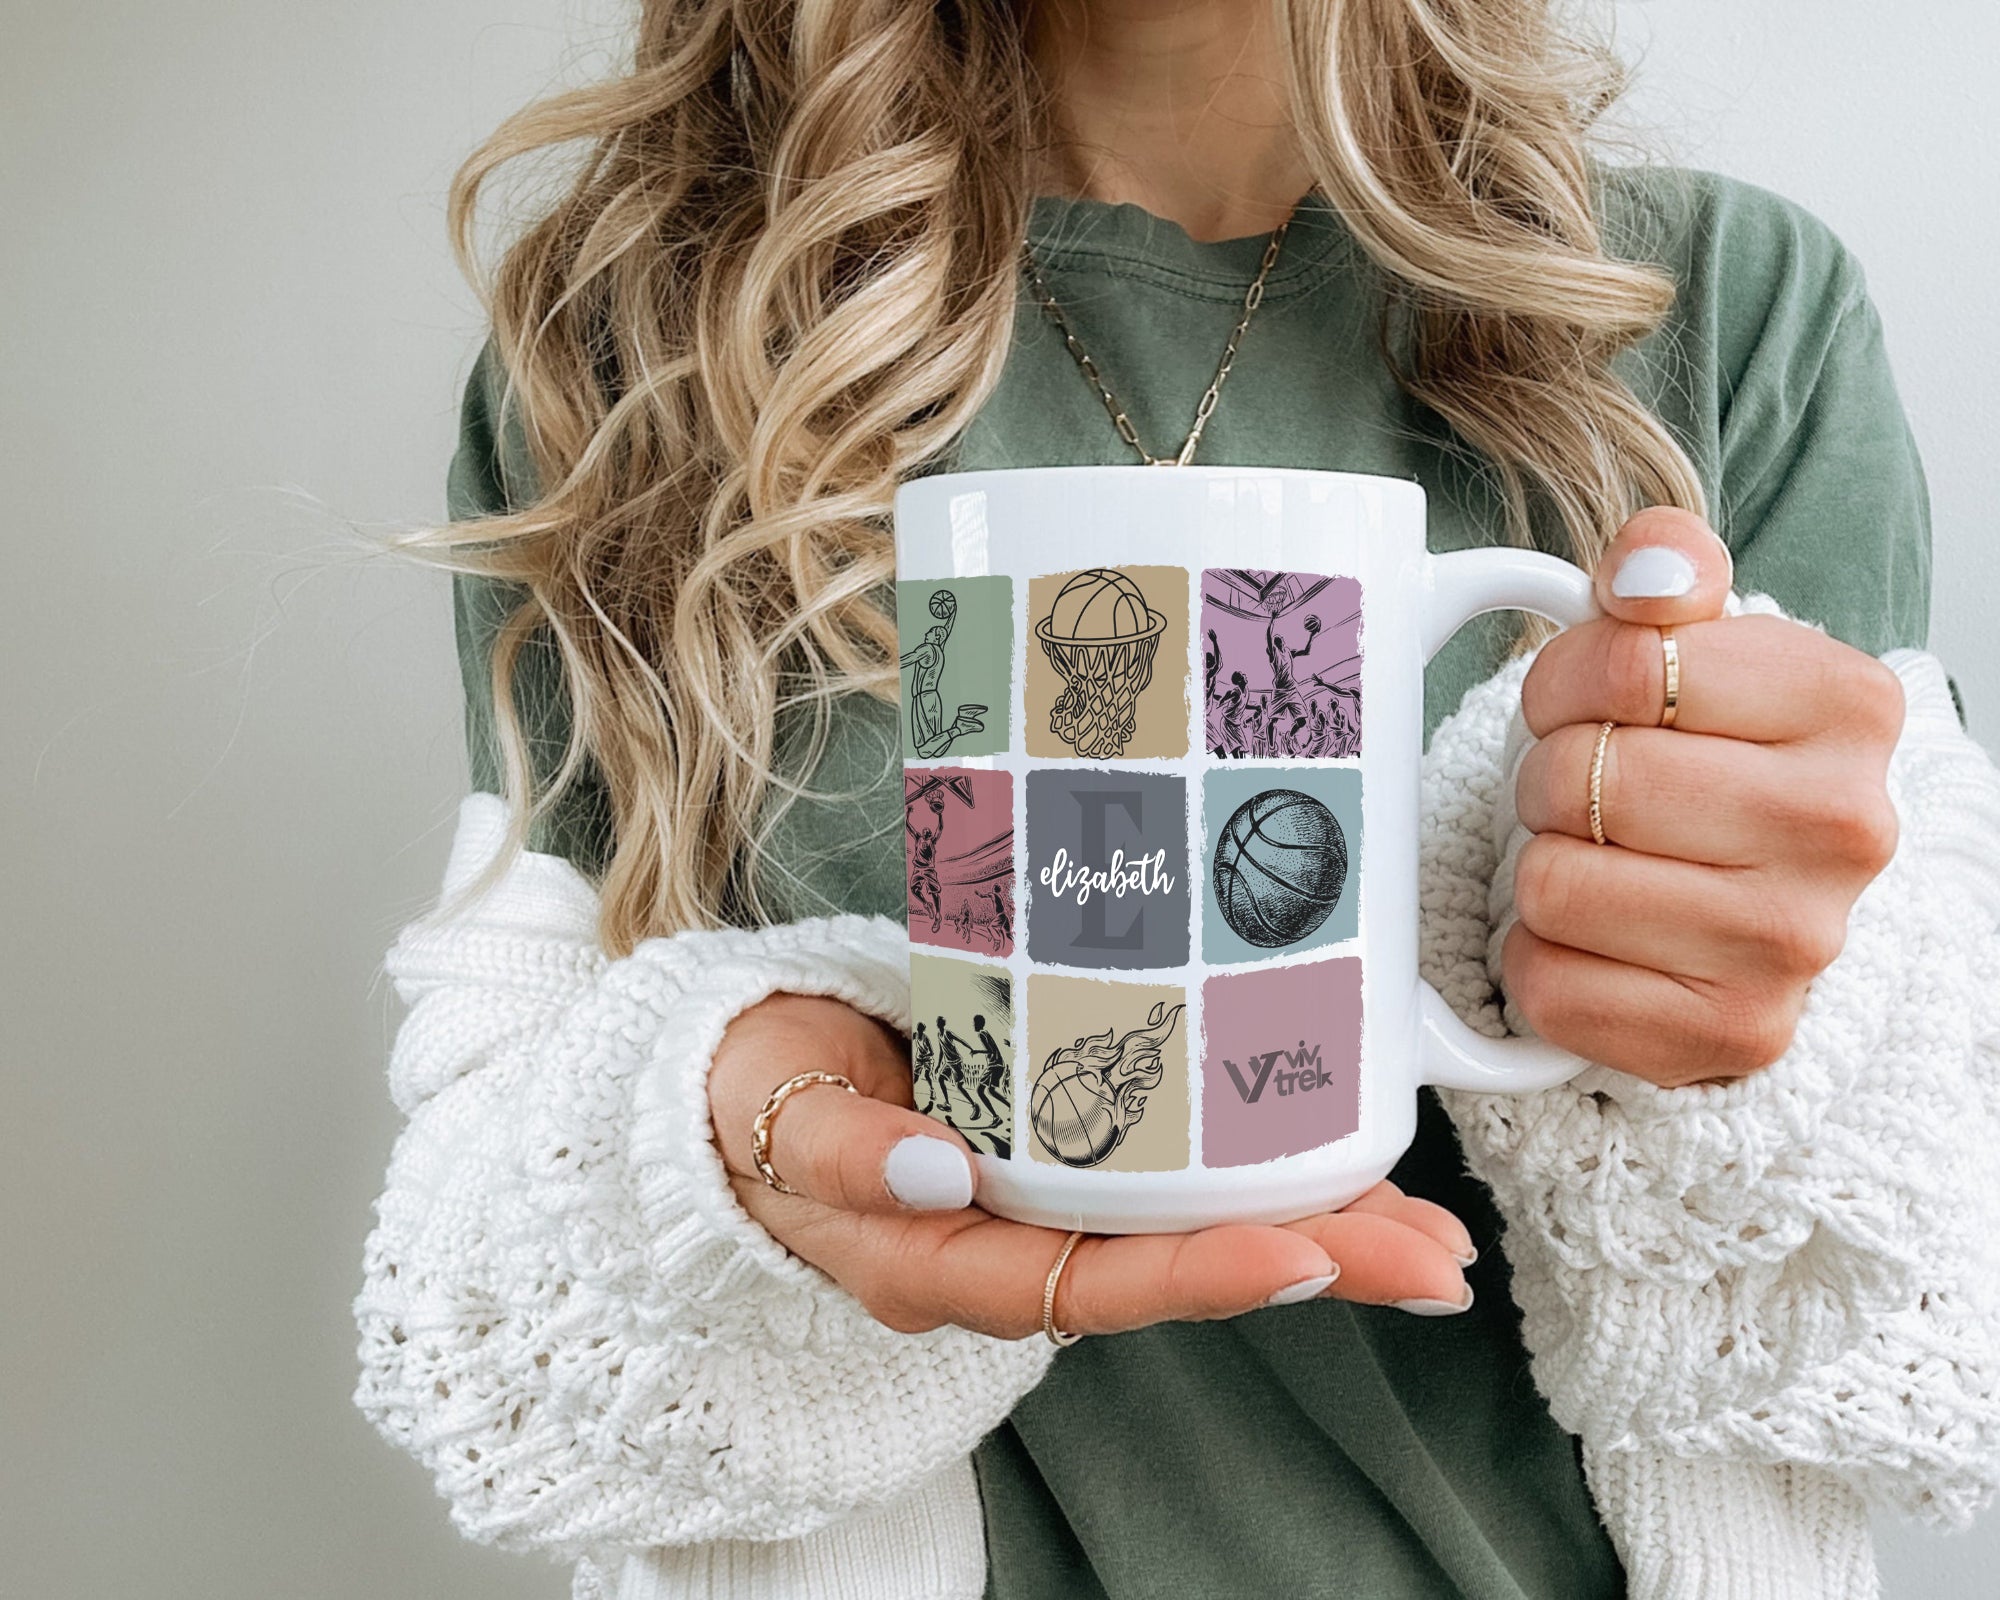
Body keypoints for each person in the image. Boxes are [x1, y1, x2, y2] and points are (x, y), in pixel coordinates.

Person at [350, 1, 2000, 1596]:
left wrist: (1759, 1018)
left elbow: (1925, 1282)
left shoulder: (1716, 308)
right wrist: (706, 1163)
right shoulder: (633, 348)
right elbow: (483, 1277)